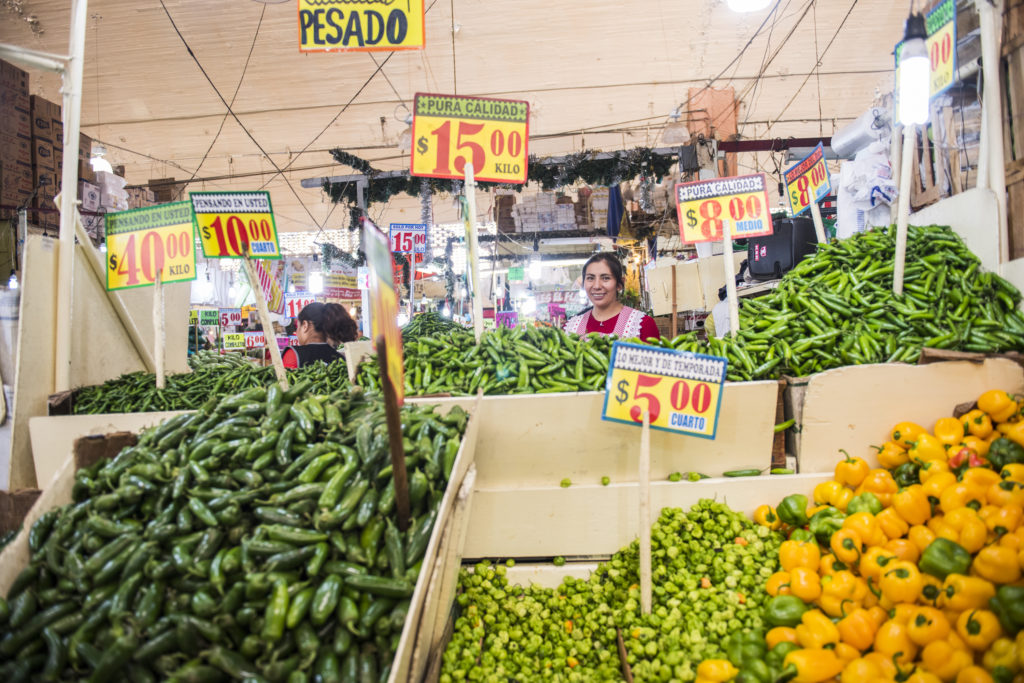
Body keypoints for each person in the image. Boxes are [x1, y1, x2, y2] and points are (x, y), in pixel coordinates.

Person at [563, 253, 659, 340]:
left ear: (619, 284)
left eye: (605, 278)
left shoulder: (642, 324)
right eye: (590, 278)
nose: (596, 286)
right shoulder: (570, 327)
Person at [282, 302, 358, 368]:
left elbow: (282, 382)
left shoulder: (293, 355)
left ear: (305, 325)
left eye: (297, 326)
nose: (297, 331)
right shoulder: (340, 358)